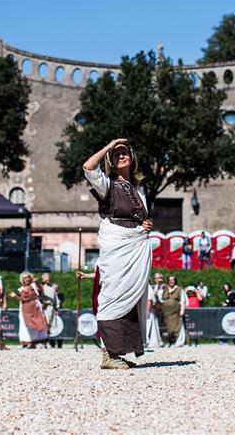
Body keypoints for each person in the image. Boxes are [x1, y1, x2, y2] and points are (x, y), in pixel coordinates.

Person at [83, 138, 153, 369]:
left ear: (132, 158)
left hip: (135, 244)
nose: (121, 156)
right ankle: (108, 353)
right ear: (111, 161)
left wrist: (144, 225)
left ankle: (118, 351)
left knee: (131, 296)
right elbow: (88, 167)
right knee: (112, 295)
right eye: (116, 155)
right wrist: (109, 146)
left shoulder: (137, 189)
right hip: (117, 244)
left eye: (124, 153)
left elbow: (138, 217)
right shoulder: (107, 184)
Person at [9, 272, 50, 348]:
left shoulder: (34, 286)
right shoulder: (20, 289)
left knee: (37, 322)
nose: (27, 279)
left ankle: (38, 341)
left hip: (34, 307)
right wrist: (15, 296)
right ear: (22, 280)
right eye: (25, 278)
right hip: (25, 308)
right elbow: (21, 299)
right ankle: (27, 341)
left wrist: (36, 282)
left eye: (28, 277)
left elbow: (40, 289)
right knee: (25, 325)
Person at [159, 275, 186, 347]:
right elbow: (160, 298)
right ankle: (170, 341)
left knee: (176, 327)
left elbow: (183, 301)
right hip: (166, 312)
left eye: (173, 280)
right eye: (170, 280)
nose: (171, 281)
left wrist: (182, 310)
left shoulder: (180, 289)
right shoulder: (164, 288)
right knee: (168, 328)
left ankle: (178, 341)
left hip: (176, 311)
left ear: (175, 281)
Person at [40, 272, 62, 348]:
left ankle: (47, 341)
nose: (48, 278)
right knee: (43, 323)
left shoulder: (51, 288)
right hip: (43, 307)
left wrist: (56, 308)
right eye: (46, 277)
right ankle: (43, 341)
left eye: (48, 277)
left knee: (49, 324)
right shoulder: (40, 287)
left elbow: (56, 299)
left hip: (50, 308)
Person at [145, 273, 164, 349]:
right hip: (153, 308)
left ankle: (151, 342)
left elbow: (150, 300)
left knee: (151, 325)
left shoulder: (163, 287)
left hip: (154, 309)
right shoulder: (152, 287)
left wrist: (147, 311)